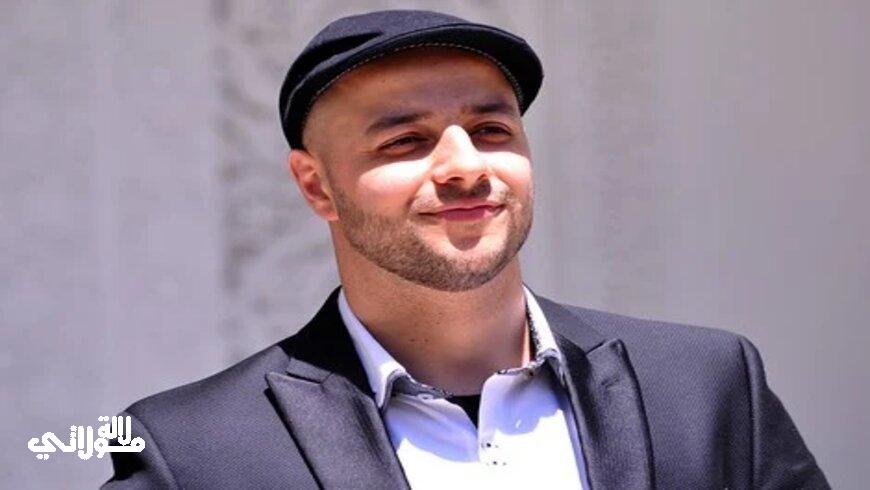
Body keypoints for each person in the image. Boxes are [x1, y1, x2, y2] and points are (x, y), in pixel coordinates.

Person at [102, 9, 828, 489]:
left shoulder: (706, 385)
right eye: (405, 141)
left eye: (492, 130)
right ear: (317, 187)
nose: (465, 166)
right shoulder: (191, 447)